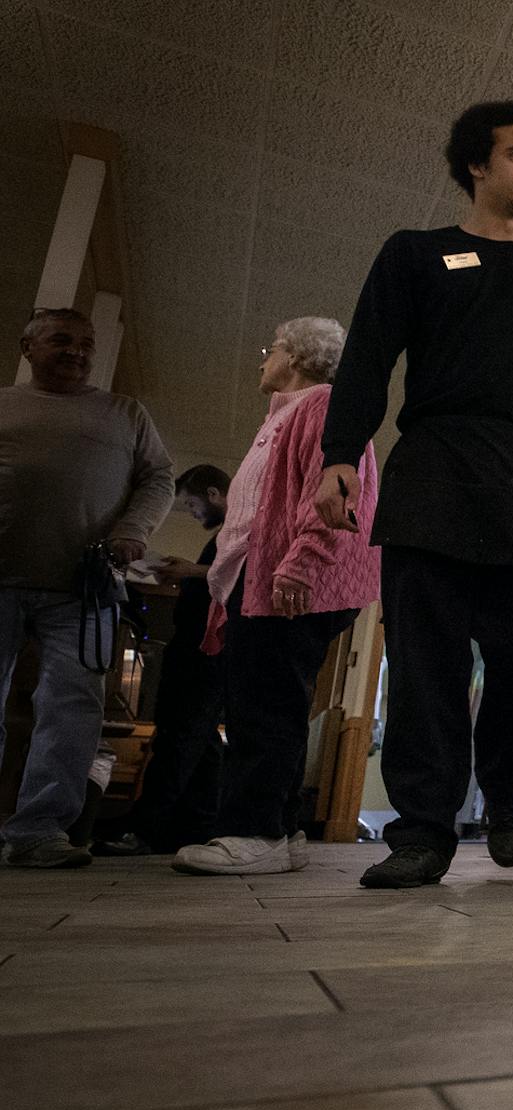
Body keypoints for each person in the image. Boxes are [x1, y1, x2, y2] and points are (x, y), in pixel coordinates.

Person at [317, 101, 513, 890]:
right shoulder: (416, 255)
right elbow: (366, 360)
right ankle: (422, 831)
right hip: (435, 464)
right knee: (425, 659)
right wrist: (339, 454)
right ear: (477, 166)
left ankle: (507, 793)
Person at [174, 319, 379, 876]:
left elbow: (336, 485)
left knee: (261, 705)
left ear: (297, 357)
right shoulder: (290, 414)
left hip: (283, 577)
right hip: (266, 575)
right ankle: (282, 831)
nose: (263, 360)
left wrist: (301, 562)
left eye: (272, 350)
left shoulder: (324, 403)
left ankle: (253, 832)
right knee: (276, 702)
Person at [0, 307, 174, 868]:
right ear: (29, 347)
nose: (76, 350)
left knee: (72, 709)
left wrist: (132, 530)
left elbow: (159, 478)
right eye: (61, 340)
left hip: (85, 588)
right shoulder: (5, 404)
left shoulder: (125, 412)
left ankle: (39, 832)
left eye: (86, 342)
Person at [95, 463, 231, 856]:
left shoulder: (243, 526)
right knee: (200, 743)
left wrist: (192, 571)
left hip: (207, 651)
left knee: (179, 737)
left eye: (191, 505)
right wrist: (189, 574)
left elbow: (245, 572)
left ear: (212, 494)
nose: (192, 514)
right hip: (198, 647)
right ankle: (193, 827)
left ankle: (146, 828)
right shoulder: (227, 534)